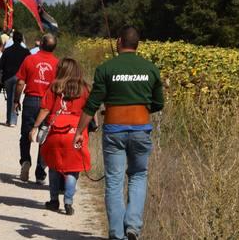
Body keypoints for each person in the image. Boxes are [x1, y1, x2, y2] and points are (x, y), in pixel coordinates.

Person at [74, 26, 164, 240]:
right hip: (141, 129)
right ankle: (132, 226)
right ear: (137, 44)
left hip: (114, 130)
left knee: (114, 181)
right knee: (138, 175)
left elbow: (92, 104)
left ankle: (116, 234)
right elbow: (158, 103)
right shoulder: (151, 69)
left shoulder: (106, 69)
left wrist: (79, 131)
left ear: (119, 42)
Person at [30, 57, 91, 216]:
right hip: (76, 132)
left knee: (54, 166)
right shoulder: (84, 89)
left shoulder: (55, 87)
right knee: (73, 169)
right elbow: (91, 111)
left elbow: (44, 109)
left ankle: (54, 200)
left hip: (55, 133)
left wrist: (35, 127)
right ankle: (69, 202)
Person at [14, 32, 58, 183]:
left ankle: (25, 160)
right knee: (43, 137)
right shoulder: (57, 64)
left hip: (31, 101)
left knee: (26, 134)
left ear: (41, 44)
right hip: (48, 103)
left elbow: (20, 83)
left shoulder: (30, 59)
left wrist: (16, 100)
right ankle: (40, 172)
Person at [0, 30, 30, 126]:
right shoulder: (26, 52)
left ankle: (9, 119)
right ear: (21, 40)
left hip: (8, 77)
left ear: (12, 39)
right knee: (16, 98)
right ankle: (13, 120)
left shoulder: (7, 51)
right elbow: (29, 64)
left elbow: (1, 64)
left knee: (10, 98)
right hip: (20, 77)